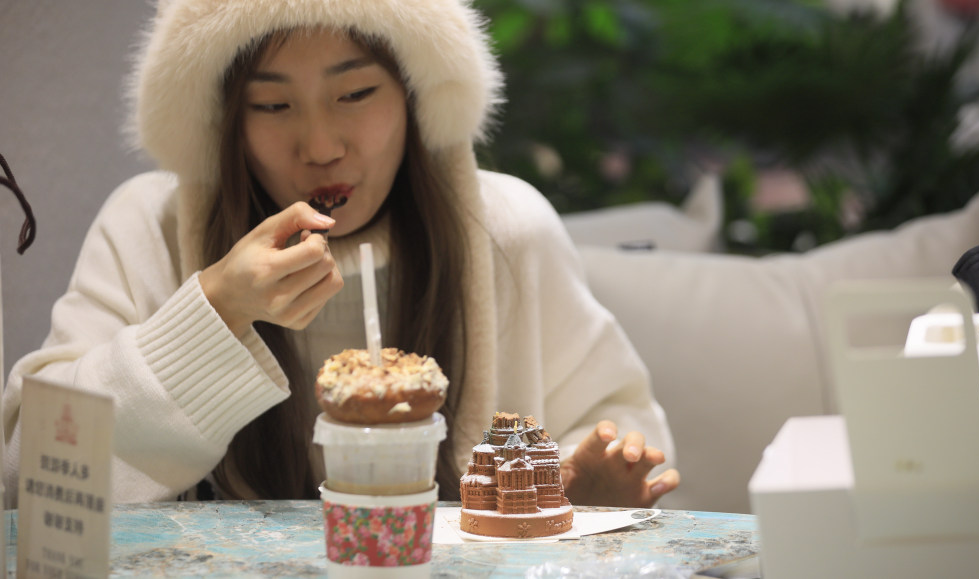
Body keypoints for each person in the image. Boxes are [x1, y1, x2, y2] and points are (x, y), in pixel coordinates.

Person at [3, 0, 679, 507]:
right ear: (225, 122)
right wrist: (214, 309)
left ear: (417, 96)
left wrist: (578, 486)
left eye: (356, 94)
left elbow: (616, 428)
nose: (321, 145)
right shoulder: (148, 224)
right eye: (271, 105)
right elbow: (31, 473)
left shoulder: (507, 228)